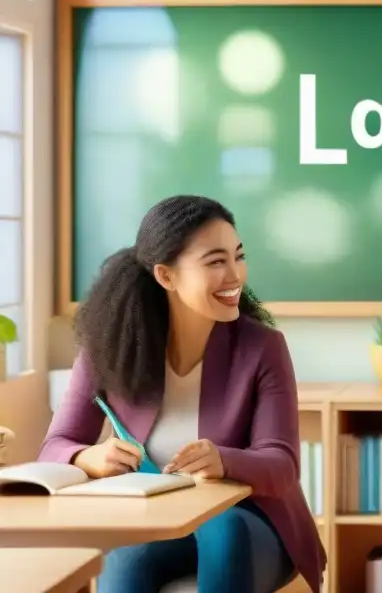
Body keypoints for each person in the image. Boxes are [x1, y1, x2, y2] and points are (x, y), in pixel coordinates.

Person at [38, 195, 326, 593]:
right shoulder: (109, 347)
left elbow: (282, 465)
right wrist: (90, 457)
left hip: (250, 527)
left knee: (223, 527)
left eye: (238, 256)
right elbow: (55, 446)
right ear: (166, 276)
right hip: (162, 526)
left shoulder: (262, 348)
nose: (235, 275)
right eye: (215, 262)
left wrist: (224, 460)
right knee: (123, 561)